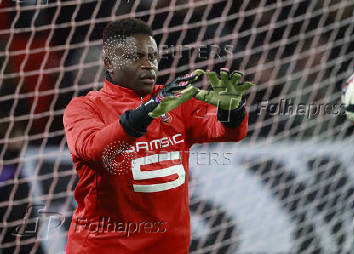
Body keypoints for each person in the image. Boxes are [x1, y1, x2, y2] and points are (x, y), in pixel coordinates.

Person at [63, 18, 253, 254]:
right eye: (136, 57)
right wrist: (149, 110)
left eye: (152, 56)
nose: (148, 65)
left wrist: (232, 110)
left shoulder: (175, 100)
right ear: (110, 63)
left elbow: (227, 132)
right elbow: (95, 150)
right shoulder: (84, 108)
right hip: (104, 247)